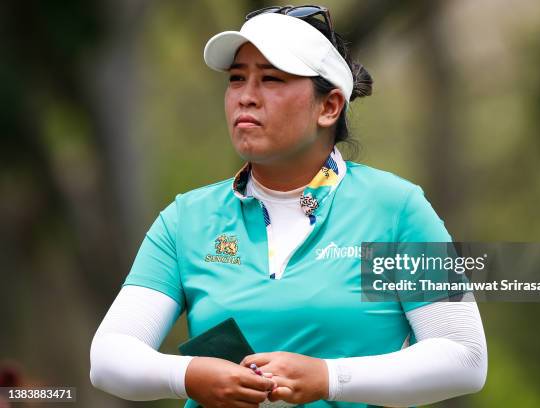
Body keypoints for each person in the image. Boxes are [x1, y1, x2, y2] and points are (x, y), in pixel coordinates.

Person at [90, 5, 487, 408]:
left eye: (272, 79)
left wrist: (330, 378)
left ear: (329, 106)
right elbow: (108, 358)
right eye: (236, 79)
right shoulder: (185, 220)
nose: (246, 97)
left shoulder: (394, 210)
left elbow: (464, 356)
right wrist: (187, 375)